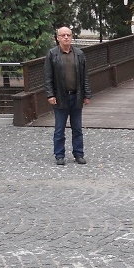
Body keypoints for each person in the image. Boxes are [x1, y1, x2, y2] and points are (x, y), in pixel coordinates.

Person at [44, 26, 91, 166]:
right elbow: (48, 77)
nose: (66, 37)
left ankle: (79, 154)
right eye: (63, 35)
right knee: (60, 129)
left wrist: (87, 94)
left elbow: (85, 76)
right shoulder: (52, 54)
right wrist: (50, 94)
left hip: (76, 96)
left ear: (71, 37)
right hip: (60, 97)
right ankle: (59, 155)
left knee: (77, 128)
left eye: (68, 35)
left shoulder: (79, 54)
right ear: (58, 38)